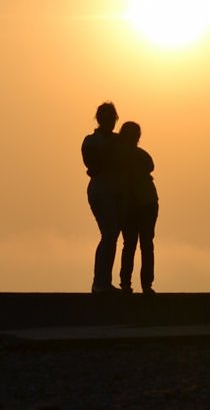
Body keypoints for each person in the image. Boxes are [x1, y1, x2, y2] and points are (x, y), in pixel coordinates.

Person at [81, 102, 127, 294]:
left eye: (111, 118)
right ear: (100, 119)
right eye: (106, 117)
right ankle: (100, 283)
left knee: (112, 234)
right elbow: (93, 166)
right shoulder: (90, 141)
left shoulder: (119, 141)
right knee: (109, 233)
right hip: (101, 189)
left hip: (116, 191)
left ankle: (103, 282)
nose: (109, 121)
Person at [118, 121, 159, 294]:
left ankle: (130, 284)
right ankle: (141, 285)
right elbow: (150, 166)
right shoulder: (139, 155)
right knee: (143, 245)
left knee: (134, 245)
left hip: (140, 204)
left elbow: (150, 166)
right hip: (142, 203)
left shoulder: (121, 156)